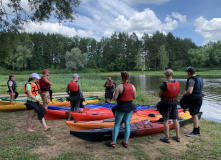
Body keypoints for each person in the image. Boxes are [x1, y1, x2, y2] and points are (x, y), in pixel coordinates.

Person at [106, 71, 136, 148]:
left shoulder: (119, 86)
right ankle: (125, 142)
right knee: (127, 124)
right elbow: (134, 97)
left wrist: (115, 92)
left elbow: (115, 98)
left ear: (121, 78)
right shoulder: (133, 86)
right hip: (130, 107)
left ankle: (113, 142)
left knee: (116, 125)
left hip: (121, 107)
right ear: (128, 78)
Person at [157, 69, 180, 143]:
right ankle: (177, 137)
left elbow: (160, 95)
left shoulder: (164, 84)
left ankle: (167, 138)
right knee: (175, 119)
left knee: (166, 120)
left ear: (166, 75)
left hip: (166, 103)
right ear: (172, 74)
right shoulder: (177, 83)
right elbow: (178, 92)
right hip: (174, 103)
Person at [181, 66, 204, 137]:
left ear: (189, 72)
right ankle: (196, 130)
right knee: (195, 114)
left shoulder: (191, 80)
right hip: (200, 97)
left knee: (194, 115)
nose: (186, 73)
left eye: (187, 72)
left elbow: (190, 91)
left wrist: (184, 94)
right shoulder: (199, 78)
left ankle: (195, 132)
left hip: (194, 99)